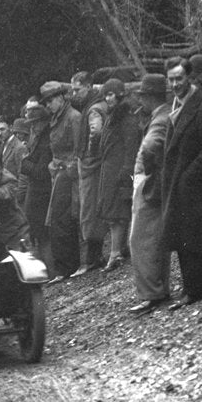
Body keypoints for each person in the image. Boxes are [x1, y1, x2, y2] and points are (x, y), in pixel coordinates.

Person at [161, 57, 202, 310]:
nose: (175, 84)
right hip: (178, 181)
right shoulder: (176, 106)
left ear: (190, 78)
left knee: (192, 236)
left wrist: (190, 176)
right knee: (181, 235)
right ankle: (191, 287)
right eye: (171, 79)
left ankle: (196, 289)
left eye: (179, 78)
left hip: (194, 184)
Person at [127, 74, 173, 315]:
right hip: (151, 180)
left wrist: (146, 171)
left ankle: (152, 294)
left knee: (141, 239)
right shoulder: (161, 116)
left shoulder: (160, 118)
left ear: (149, 97)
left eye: (143, 97)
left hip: (148, 181)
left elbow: (151, 147)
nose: (140, 102)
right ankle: (158, 289)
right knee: (151, 238)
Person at [95, 78, 141, 273]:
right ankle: (119, 250)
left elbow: (131, 148)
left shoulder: (127, 118)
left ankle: (116, 253)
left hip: (120, 172)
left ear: (120, 94)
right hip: (110, 171)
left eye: (111, 94)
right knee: (114, 213)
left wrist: (126, 172)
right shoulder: (112, 116)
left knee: (119, 213)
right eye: (105, 95)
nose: (108, 98)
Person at [40, 81, 81, 282]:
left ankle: (67, 267)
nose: (48, 105)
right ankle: (64, 267)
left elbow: (79, 150)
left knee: (63, 219)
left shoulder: (73, 117)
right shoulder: (56, 119)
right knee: (57, 220)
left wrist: (67, 168)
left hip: (69, 174)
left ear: (61, 97)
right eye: (46, 102)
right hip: (57, 173)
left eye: (51, 100)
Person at [69, 71, 108, 276]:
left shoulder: (93, 108)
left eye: (77, 89)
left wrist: (91, 154)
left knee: (90, 210)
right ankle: (95, 256)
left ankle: (92, 259)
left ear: (89, 86)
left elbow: (97, 131)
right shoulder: (92, 105)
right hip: (90, 164)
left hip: (91, 165)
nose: (74, 94)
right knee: (89, 209)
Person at [20, 106, 53, 265]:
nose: (32, 127)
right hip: (37, 194)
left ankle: (48, 271)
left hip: (42, 194)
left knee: (43, 237)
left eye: (35, 123)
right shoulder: (39, 138)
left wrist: (25, 163)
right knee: (38, 237)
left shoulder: (46, 141)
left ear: (43, 122)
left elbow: (40, 171)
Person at [0, 115, 27, 204]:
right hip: (4, 195)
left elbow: (23, 177)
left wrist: (16, 201)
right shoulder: (2, 146)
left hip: (14, 199)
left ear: (11, 128)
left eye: (2, 129)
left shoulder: (19, 147)